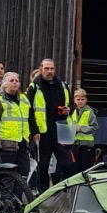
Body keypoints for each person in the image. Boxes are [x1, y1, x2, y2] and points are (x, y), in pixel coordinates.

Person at [29, 58, 73, 190]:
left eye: (52, 68)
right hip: (43, 133)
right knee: (43, 166)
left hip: (61, 131)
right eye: (46, 68)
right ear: (41, 69)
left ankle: (66, 191)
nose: (49, 71)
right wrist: (34, 131)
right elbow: (28, 111)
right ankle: (43, 194)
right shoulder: (34, 87)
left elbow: (72, 104)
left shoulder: (63, 85)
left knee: (68, 164)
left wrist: (69, 109)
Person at [0, 71, 32, 179]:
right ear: (5, 84)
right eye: (11, 80)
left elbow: (26, 120)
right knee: (7, 176)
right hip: (6, 145)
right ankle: (6, 192)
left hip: (22, 143)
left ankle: (18, 191)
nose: (15, 82)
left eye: (16, 81)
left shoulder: (23, 100)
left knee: (24, 173)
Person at [70, 88, 97, 170]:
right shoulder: (73, 112)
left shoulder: (90, 112)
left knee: (85, 167)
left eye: (82, 99)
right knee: (75, 167)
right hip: (75, 144)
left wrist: (81, 129)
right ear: (74, 100)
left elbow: (95, 127)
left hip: (87, 144)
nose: (80, 101)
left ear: (86, 100)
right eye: (78, 99)